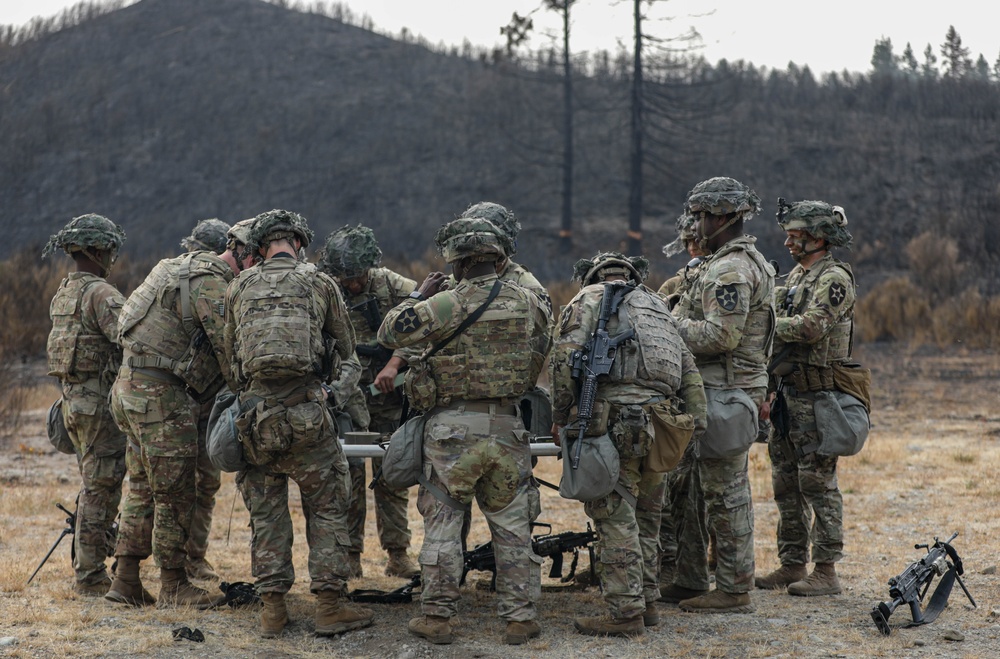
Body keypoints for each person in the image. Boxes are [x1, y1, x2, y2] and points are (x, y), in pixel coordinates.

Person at [377, 217, 548, 646]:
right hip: (508, 425)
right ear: (499, 257)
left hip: (451, 429)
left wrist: (418, 294)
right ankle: (520, 618)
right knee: (512, 525)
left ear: (456, 261)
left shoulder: (446, 304)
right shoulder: (530, 301)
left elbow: (388, 332)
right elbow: (545, 347)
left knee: (444, 522)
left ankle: (437, 616)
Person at [225, 209, 373, 639]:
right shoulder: (320, 283)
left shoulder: (239, 287)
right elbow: (349, 357)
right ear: (300, 243)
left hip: (257, 421)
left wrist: (252, 398)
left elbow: (231, 358)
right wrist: (332, 395)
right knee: (327, 508)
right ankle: (328, 606)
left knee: (267, 515)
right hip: (310, 414)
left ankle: (273, 610)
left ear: (258, 248)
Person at [549, 252, 706, 637]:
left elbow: (562, 359)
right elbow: (688, 368)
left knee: (613, 513)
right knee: (648, 517)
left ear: (592, 276)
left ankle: (625, 612)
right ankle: (647, 601)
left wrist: (560, 415)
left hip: (612, 420)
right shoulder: (657, 308)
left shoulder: (586, 299)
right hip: (662, 423)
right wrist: (694, 424)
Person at [106, 213, 251, 609]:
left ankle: (126, 580)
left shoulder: (173, 266)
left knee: (140, 486)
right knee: (175, 493)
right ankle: (173, 584)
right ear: (244, 254)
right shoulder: (212, 284)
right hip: (161, 398)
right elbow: (230, 352)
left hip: (128, 387)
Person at [664, 176, 775, 614]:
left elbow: (721, 335)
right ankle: (690, 577)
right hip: (709, 392)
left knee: (725, 494)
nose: (696, 223)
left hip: (726, 394)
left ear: (724, 217)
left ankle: (734, 588)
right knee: (688, 489)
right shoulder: (726, 262)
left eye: (702, 215)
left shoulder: (730, 268)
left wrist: (668, 324)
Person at [755, 199, 856, 596]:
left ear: (818, 238)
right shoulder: (796, 278)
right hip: (787, 396)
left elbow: (813, 327)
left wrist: (763, 324)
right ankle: (792, 563)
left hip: (818, 398)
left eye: (795, 237)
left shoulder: (834, 279)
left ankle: (826, 570)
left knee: (818, 483)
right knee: (785, 484)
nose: (787, 243)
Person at [318, 224, 419, 580]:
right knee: (348, 478)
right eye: (345, 278)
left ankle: (398, 553)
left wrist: (394, 364)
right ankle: (349, 555)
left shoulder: (393, 286)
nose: (353, 284)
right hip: (344, 402)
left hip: (388, 400)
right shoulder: (325, 289)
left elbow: (426, 324)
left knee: (391, 476)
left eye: (358, 276)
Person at [42, 214, 128, 597]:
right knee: (101, 487)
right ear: (96, 251)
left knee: (94, 483)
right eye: (109, 249)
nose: (112, 256)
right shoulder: (101, 294)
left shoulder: (64, 292)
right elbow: (130, 338)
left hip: (71, 403)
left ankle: (88, 565)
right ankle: (90, 577)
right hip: (97, 406)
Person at [656, 212, 714, 592]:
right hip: (674, 396)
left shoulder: (718, 280)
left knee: (697, 492)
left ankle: (694, 573)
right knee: (671, 488)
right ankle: (670, 566)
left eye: (697, 240)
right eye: (687, 242)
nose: (692, 247)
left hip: (704, 393)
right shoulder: (676, 284)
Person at [178, 218, 232, 582]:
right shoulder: (173, 281)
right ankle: (167, 558)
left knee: (206, 481)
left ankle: (195, 556)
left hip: (209, 397)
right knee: (170, 482)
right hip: (176, 395)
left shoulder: (224, 286)